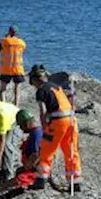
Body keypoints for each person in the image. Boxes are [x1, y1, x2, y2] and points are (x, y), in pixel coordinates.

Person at [28, 64, 82, 192]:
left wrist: (44, 126)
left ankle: (41, 180)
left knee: (47, 150)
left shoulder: (41, 91)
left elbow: (43, 110)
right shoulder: (56, 87)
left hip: (59, 123)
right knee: (71, 152)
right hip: (72, 121)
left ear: (35, 80)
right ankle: (76, 183)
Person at [0, 27, 27, 105]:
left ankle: (4, 105)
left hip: (6, 69)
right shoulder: (21, 42)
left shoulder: (4, 41)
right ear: (17, 33)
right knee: (17, 90)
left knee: (3, 90)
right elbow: (23, 51)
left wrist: (6, 37)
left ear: (9, 32)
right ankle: (16, 106)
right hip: (17, 69)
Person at [15, 108, 44, 176]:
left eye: (21, 125)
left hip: (35, 171)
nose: (20, 128)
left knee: (9, 184)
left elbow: (36, 155)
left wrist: (25, 168)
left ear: (27, 123)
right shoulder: (37, 131)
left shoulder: (35, 135)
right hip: (36, 168)